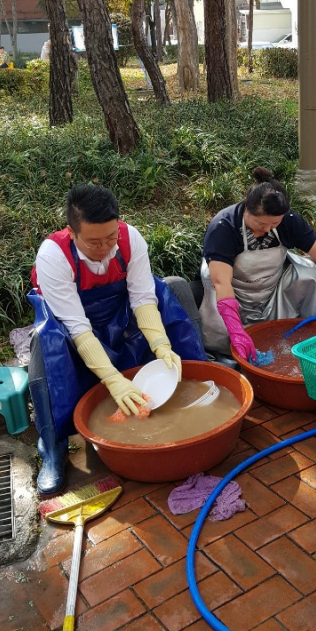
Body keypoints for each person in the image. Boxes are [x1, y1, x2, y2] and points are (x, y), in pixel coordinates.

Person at [28, 184, 206, 494]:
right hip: (73, 323)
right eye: (93, 242)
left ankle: (196, 383)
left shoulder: (129, 238)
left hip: (119, 310)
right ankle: (53, 445)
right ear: (72, 233)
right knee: (45, 344)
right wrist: (112, 379)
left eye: (111, 238)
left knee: (171, 289)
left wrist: (161, 345)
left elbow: (142, 298)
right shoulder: (53, 256)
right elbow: (77, 327)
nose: (105, 248)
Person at [200, 167, 316, 360]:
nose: (267, 229)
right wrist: (235, 329)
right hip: (229, 289)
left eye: (274, 225)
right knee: (227, 342)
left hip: (273, 287)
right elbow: (221, 282)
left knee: (309, 272)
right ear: (246, 209)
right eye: (261, 225)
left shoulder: (288, 220)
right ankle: (230, 347)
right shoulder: (223, 227)